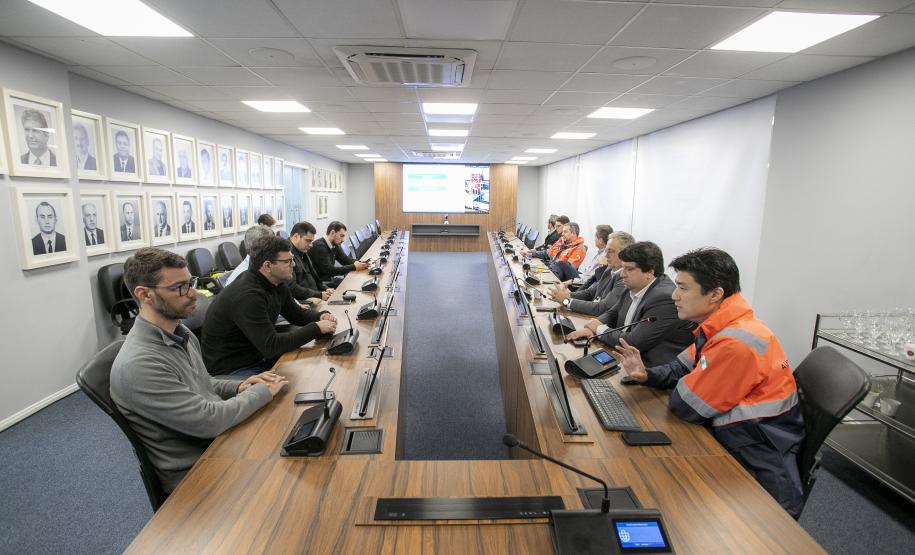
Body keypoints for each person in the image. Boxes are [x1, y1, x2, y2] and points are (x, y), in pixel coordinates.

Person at [615, 248, 805, 518]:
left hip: (757, 460)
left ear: (715, 294)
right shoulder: (720, 326)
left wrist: (689, 380)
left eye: (683, 288)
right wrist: (648, 375)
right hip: (736, 439)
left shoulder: (736, 342)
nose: (674, 296)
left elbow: (687, 405)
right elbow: (681, 366)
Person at [110, 247, 287, 494]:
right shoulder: (140, 364)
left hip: (220, 447)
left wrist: (241, 385)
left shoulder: (180, 333)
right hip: (199, 474)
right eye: (180, 287)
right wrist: (263, 391)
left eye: (190, 282)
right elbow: (210, 420)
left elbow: (202, 382)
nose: (193, 294)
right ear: (145, 295)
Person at [202, 235, 338, 376]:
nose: (294, 265)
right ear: (267, 266)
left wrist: (321, 316)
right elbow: (272, 346)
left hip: (257, 357)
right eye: (288, 261)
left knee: (314, 367)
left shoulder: (276, 282)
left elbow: (296, 314)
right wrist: (316, 328)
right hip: (235, 369)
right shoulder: (248, 296)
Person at [567, 241, 694, 367]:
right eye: (623, 268)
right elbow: (613, 313)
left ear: (649, 272)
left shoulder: (664, 298)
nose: (622, 274)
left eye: (629, 269)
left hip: (649, 371)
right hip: (624, 358)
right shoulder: (634, 285)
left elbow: (634, 342)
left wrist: (599, 329)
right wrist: (592, 328)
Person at [550, 231, 633, 316]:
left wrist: (566, 301)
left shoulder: (625, 279)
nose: (605, 255)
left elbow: (601, 308)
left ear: (625, 254)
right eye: (606, 251)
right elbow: (589, 293)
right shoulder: (609, 270)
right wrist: (566, 295)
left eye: (610, 251)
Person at [288, 221, 334, 302]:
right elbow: (292, 288)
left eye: (311, 241)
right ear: (296, 236)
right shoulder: (287, 254)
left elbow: (315, 278)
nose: (311, 245)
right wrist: (319, 295)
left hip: (315, 295)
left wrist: (326, 289)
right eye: (308, 241)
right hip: (303, 301)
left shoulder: (302, 251)